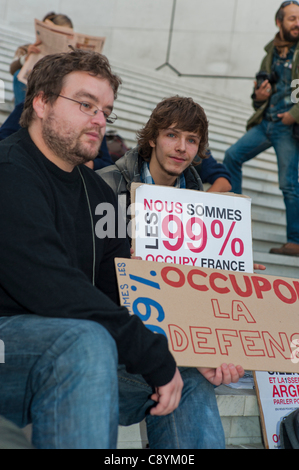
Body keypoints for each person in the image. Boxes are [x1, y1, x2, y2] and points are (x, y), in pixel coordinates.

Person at [0, 49, 243, 450]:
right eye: (85, 104)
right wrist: (150, 352)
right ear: (41, 102)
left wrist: (187, 347)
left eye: (105, 110)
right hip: (14, 348)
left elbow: (123, 286)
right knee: (85, 341)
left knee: (188, 376)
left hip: (76, 356)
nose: (99, 119)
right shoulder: (10, 172)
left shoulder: (100, 194)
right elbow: (53, 288)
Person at [98, 96, 247, 449]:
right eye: (172, 135)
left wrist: (232, 274)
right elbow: (83, 277)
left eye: (192, 140)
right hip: (112, 342)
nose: (182, 148)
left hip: (172, 347)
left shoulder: (207, 208)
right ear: (152, 137)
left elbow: (200, 298)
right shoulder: (105, 187)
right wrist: (122, 261)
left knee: (192, 377)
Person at [223, 1, 299, 257]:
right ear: (279, 22)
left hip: (287, 126)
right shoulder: (271, 52)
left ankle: (295, 241)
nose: (297, 23)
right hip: (265, 122)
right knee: (232, 156)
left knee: (288, 184)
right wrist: (258, 96)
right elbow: (259, 93)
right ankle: (234, 225)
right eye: (291, 18)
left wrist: (293, 115)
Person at [10, 12, 73, 105]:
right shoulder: (28, 48)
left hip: (53, 98)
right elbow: (13, 70)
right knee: (18, 74)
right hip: (28, 99)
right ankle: (23, 116)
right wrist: (27, 58)